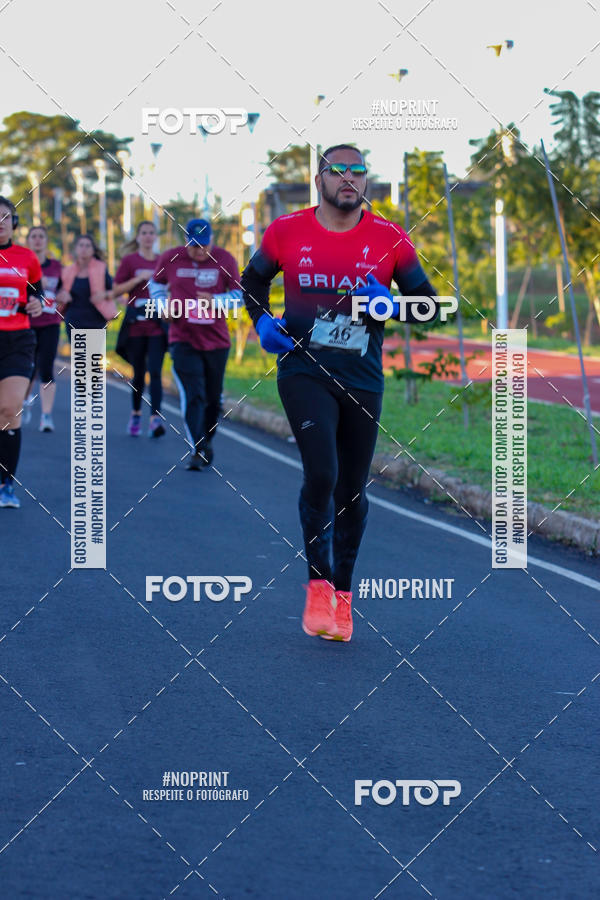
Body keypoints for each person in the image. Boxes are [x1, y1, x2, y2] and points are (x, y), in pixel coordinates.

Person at [241, 144, 438, 642]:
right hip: (303, 369)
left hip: (362, 376)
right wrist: (262, 321)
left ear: (366, 181)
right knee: (322, 474)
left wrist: (390, 305)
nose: (349, 178)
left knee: (352, 490)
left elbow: (430, 306)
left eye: (358, 171)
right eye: (338, 170)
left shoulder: (391, 238)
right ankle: (316, 585)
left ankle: (343, 598)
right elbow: (251, 282)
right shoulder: (286, 231)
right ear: (319, 180)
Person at [148, 218, 241, 470]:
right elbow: (154, 284)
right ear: (185, 241)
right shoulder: (171, 258)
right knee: (194, 394)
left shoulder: (225, 259)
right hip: (183, 338)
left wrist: (216, 301)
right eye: (193, 246)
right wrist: (161, 306)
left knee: (213, 400)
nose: (199, 251)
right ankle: (197, 447)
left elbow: (239, 296)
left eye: (203, 245)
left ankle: (206, 440)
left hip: (216, 342)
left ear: (211, 240)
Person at [0, 196, 45, 508]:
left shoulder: (27, 257)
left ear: (14, 223)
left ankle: (6, 485)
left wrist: (36, 304)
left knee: (9, 409)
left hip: (18, 339)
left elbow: (36, 296)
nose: (0, 223)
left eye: (5, 217)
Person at [114, 221, 167, 437]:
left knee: (155, 372)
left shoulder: (163, 261)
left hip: (156, 325)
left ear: (156, 237)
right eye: (144, 233)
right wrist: (139, 278)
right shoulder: (130, 261)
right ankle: (136, 413)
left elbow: (171, 287)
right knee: (138, 374)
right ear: (138, 237)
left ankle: (155, 418)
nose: (147, 237)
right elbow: (117, 289)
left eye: (151, 233)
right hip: (135, 325)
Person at [24, 225, 67, 432]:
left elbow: (65, 291)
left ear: (46, 241)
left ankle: (46, 417)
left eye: (41, 236)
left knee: (46, 367)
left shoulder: (57, 267)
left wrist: (63, 296)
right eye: (34, 236)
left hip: (50, 324)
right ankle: (22, 405)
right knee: (26, 368)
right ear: (28, 241)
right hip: (25, 324)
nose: (38, 240)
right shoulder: (22, 265)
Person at [61, 234, 115, 341]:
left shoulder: (101, 268)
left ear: (93, 250)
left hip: (96, 319)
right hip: (74, 320)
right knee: (80, 357)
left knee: (93, 356)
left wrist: (104, 295)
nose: (84, 249)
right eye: (81, 245)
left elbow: (114, 290)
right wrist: (62, 295)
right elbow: (58, 291)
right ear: (76, 249)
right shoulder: (67, 270)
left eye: (87, 246)